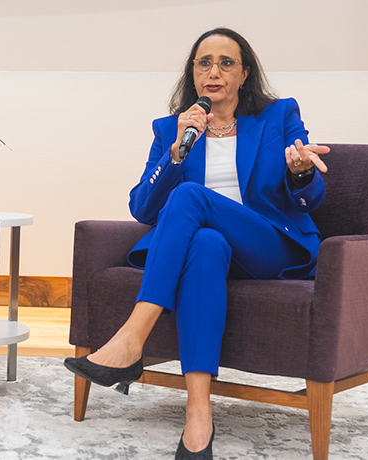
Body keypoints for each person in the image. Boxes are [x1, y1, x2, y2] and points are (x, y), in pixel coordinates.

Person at [64, 27, 329, 459]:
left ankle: (133, 337)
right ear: (192, 72)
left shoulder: (278, 116)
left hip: (268, 246)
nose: (214, 72)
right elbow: (143, 208)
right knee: (205, 244)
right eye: (204, 62)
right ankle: (198, 416)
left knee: (190, 197)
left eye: (226, 63)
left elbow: (310, 198)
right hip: (212, 251)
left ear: (244, 74)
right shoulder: (172, 128)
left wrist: (301, 172)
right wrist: (175, 156)